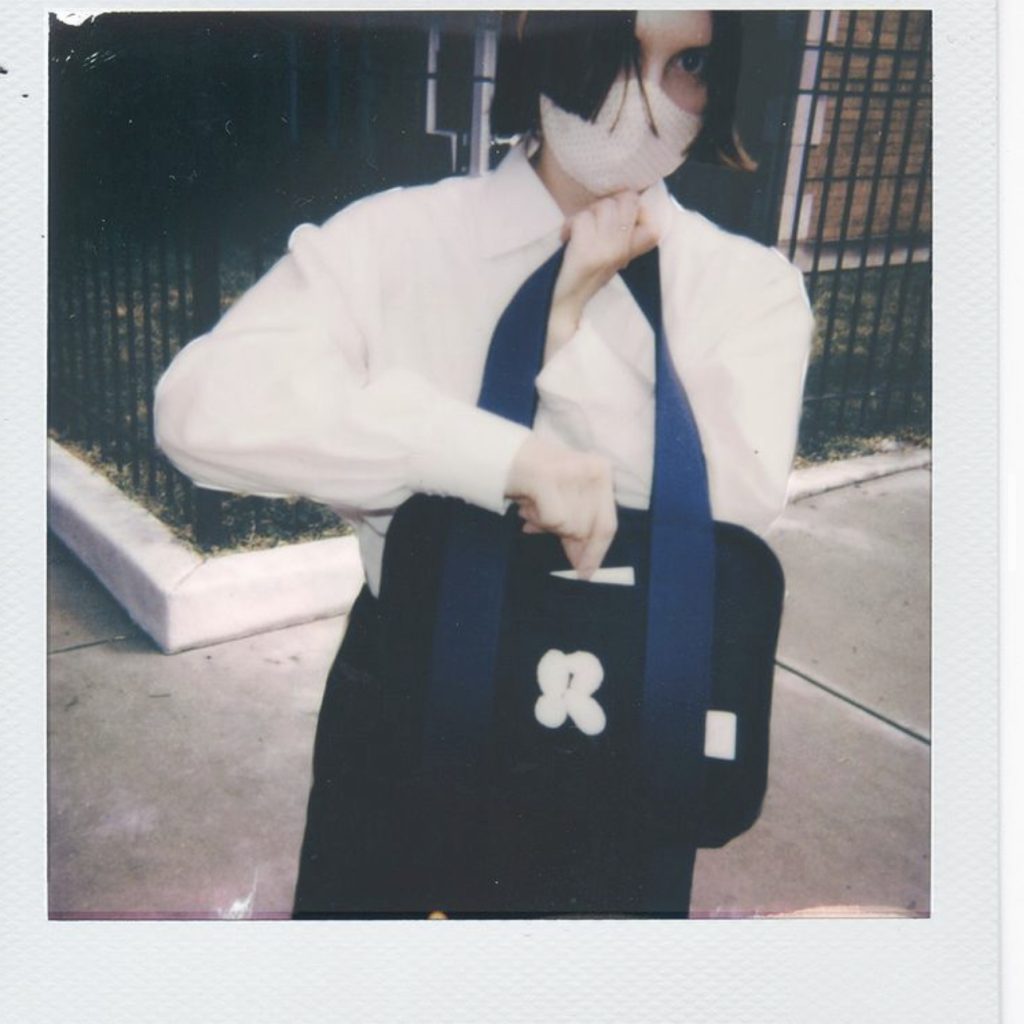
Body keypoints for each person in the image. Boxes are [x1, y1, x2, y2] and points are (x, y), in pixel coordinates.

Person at [154, 10, 814, 918]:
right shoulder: (401, 241)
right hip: (408, 705)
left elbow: (736, 505)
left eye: (689, 63)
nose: (649, 104)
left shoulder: (744, 285)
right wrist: (492, 454)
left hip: (631, 710)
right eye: (622, 52)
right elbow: (202, 408)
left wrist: (568, 333)